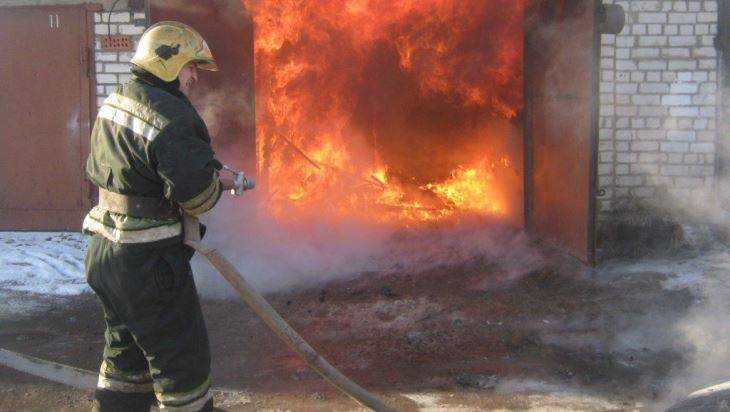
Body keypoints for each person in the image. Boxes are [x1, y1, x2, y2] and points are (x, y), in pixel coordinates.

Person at [83, 21, 236, 412]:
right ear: (168, 62)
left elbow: (136, 168)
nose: (194, 77)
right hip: (148, 263)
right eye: (190, 66)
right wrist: (218, 182)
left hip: (104, 254)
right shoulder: (170, 114)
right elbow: (197, 198)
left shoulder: (118, 97)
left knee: (125, 362)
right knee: (182, 367)